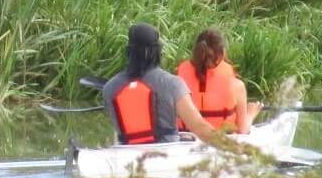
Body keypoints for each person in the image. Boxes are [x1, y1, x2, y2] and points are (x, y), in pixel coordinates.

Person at [101, 23, 235, 147]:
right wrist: (233, 147)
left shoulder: (109, 88)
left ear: (129, 51)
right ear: (158, 52)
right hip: (167, 153)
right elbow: (199, 127)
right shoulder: (172, 84)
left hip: (126, 154)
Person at [174, 29, 263, 134]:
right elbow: (243, 131)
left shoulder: (177, 81)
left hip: (186, 139)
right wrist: (251, 114)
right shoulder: (237, 86)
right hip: (220, 141)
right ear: (223, 52)